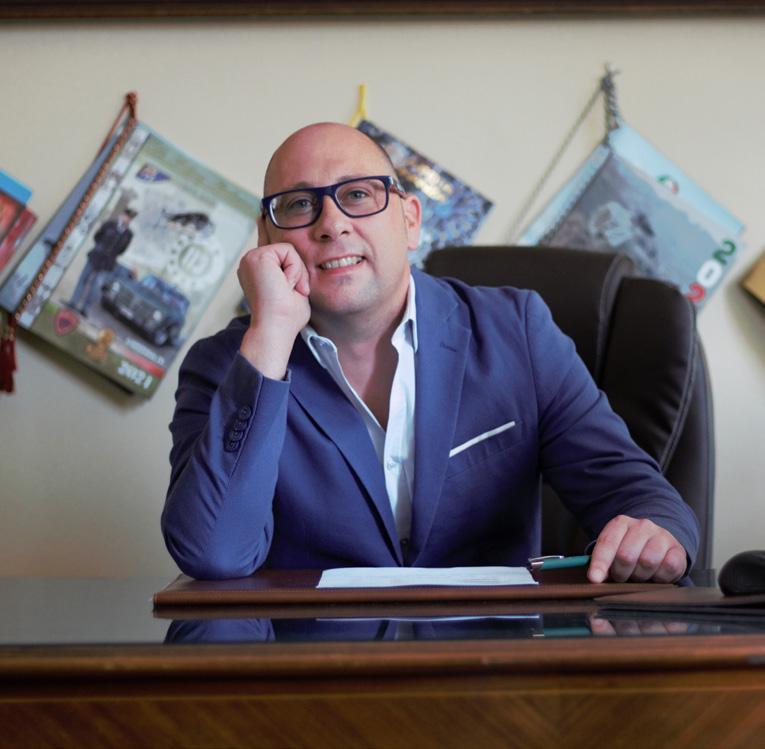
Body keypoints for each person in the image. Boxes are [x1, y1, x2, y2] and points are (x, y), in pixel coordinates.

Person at [161, 123, 699, 583]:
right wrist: (271, 335)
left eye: (358, 195)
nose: (332, 224)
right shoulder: (226, 365)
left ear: (411, 220)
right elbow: (213, 552)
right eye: (299, 205)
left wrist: (654, 534)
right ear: (265, 238)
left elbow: (642, 497)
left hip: (490, 657)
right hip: (317, 664)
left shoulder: (518, 332)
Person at [67, 208, 136, 316]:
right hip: (96, 256)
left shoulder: (128, 234)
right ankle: (73, 302)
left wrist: (111, 254)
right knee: (83, 279)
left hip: (108, 263)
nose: (127, 219)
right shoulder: (109, 224)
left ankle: (85, 309)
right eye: (126, 216)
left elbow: (122, 250)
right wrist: (101, 248)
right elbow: (97, 236)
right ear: (122, 215)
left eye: (130, 218)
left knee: (96, 286)